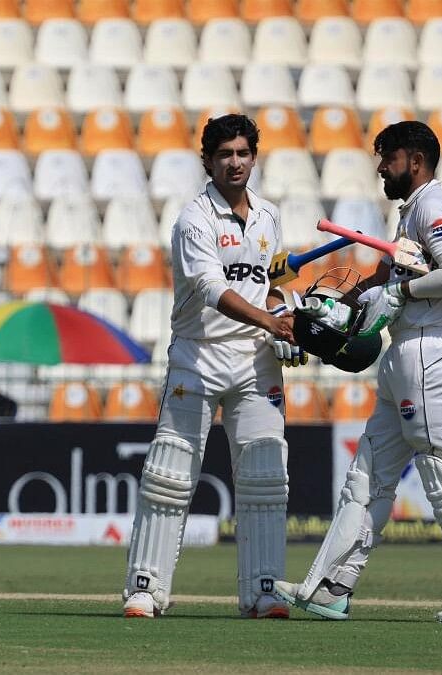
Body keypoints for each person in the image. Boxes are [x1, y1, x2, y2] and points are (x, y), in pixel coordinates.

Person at [274, 121, 442, 624]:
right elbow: (392, 272)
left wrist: (400, 294)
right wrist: (348, 300)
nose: (380, 166)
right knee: (367, 475)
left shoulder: (434, 205)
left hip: (429, 350)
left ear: (415, 159)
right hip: (405, 353)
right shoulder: (412, 212)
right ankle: (330, 587)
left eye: (387, 156)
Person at [121, 114, 300, 620]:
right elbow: (210, 289)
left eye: (243, 153)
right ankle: (145, 588)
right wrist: (270, 317)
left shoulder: (269, 216)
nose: (235, 163)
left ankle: (264, 590)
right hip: (198, 356)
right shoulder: (193, 219)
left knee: (265, 474)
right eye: (225, 155)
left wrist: (280, 309)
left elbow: (269, 280)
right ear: (208, 161)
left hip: (257, 362)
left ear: (254, 157)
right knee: (170, 473)